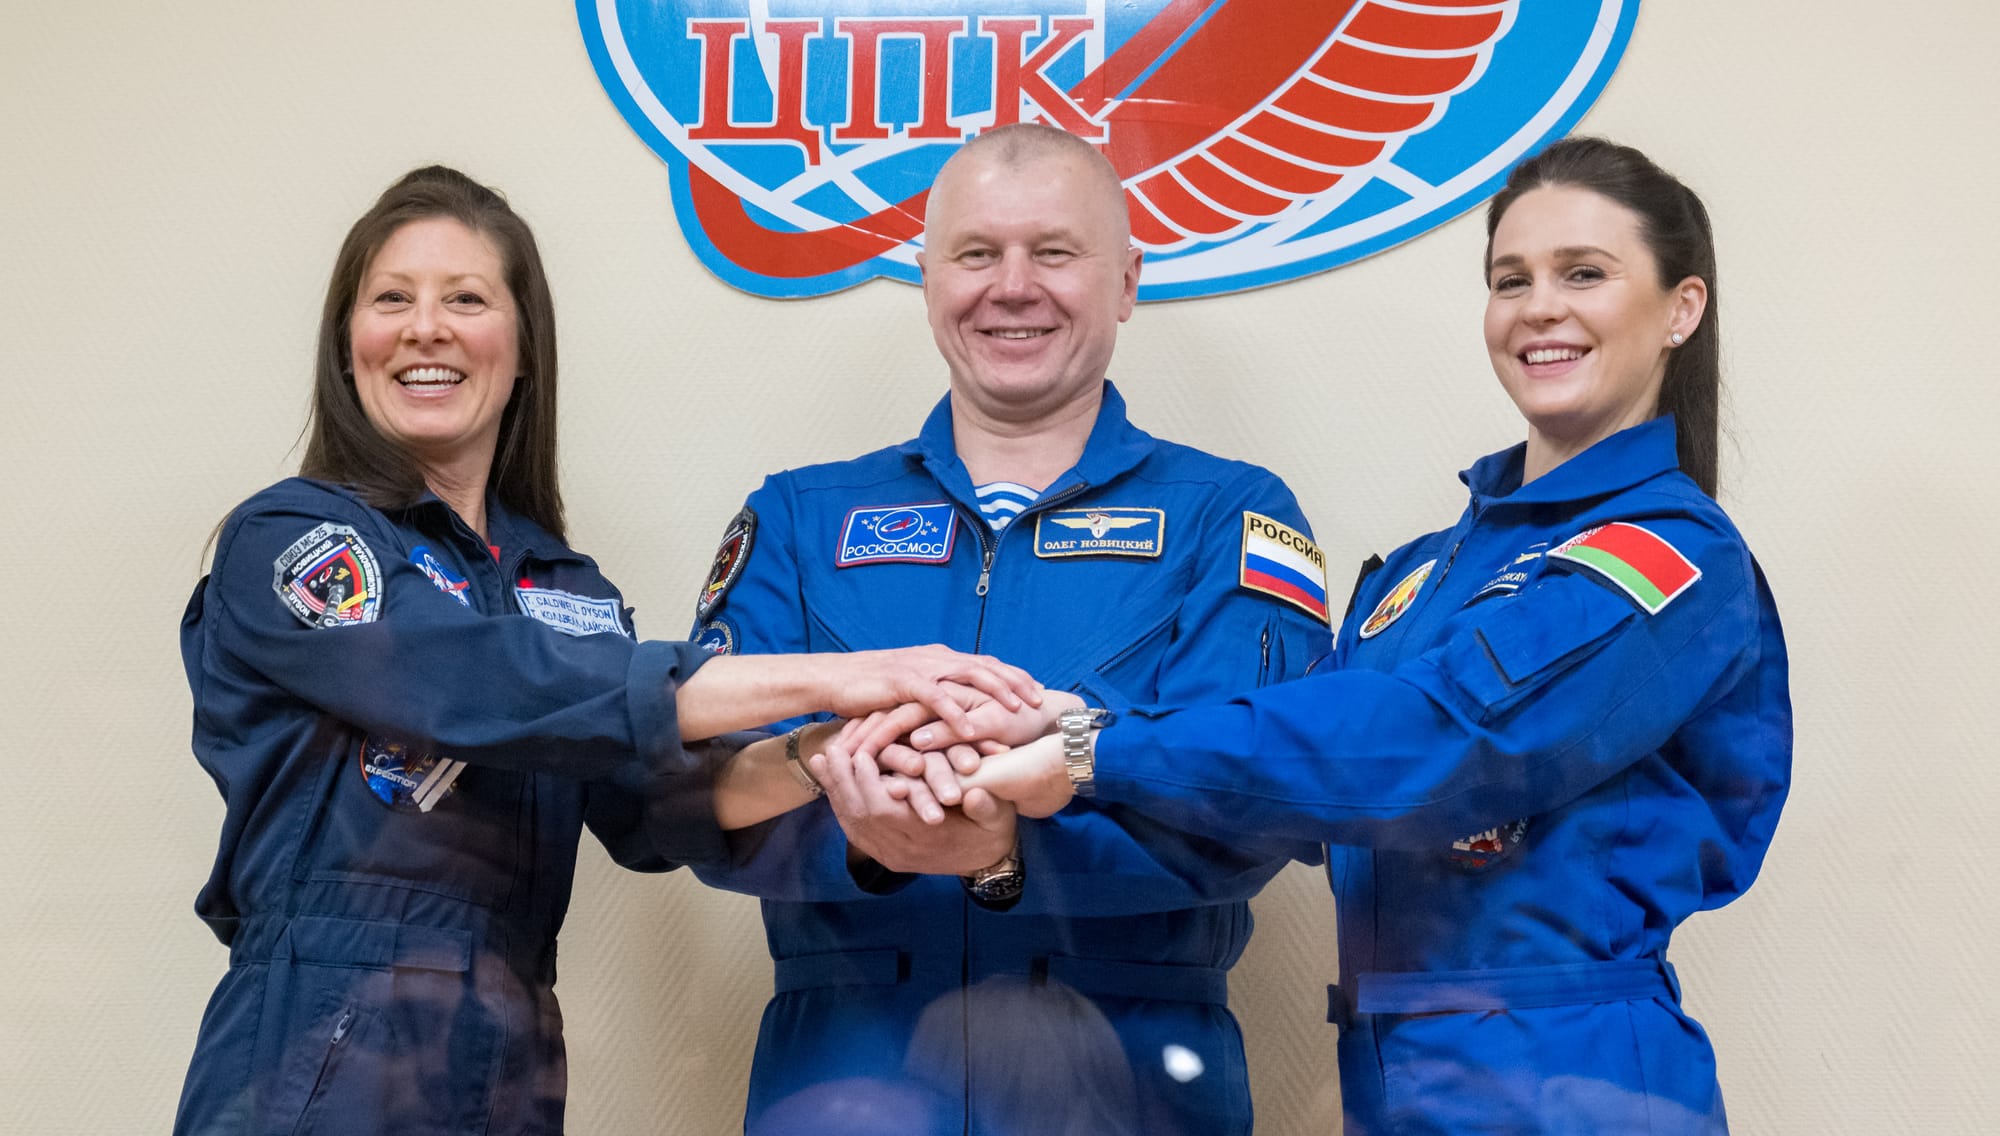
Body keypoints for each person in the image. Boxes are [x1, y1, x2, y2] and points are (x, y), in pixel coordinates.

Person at [872, 137, 1793, 1133]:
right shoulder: (1420, 575)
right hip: (1399, 1077)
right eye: (1508, 278)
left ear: (1678, 309)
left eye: (1583, 273)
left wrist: (1096, 747)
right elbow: (1291, 774)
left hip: (1571, 1077)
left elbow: (1433, 739)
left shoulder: (1667, 555)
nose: (1538, 307)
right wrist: (998, 768)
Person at [172, 165, 1037, 1136]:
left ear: (521, 345)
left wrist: (836, 744)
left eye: (465, 297)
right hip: (321, 1040)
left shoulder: (567, 589)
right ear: (346, 341)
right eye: (391, 299)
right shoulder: (296, 539)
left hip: (503, 1044)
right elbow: (476, 679)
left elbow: (655, 799)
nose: (426, 327)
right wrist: (840, 671)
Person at [689, 123, 1330, 1135]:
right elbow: (698, 792)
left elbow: (1258, 800)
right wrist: (865, 847)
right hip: (845, 1071)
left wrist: (1012, 854)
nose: (1012, 285)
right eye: (976, 253)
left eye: (1054, 252)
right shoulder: (798, 520)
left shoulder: (1230, 515)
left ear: (1125, 280)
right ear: (927, 276)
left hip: (1128, 1076)